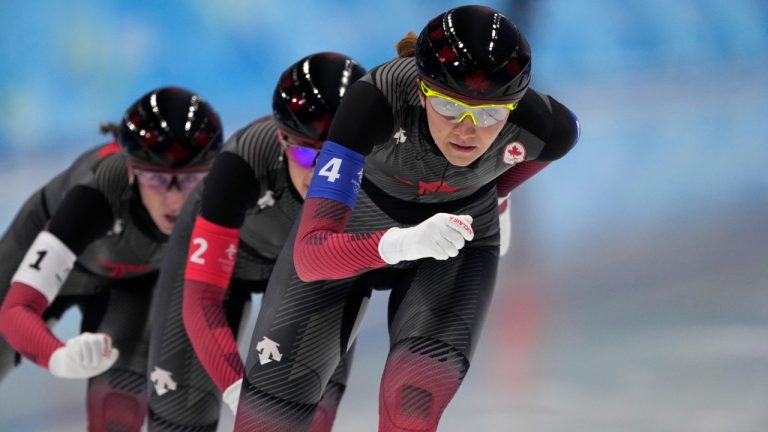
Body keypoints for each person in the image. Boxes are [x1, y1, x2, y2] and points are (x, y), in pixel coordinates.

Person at [234, 5, 580, 431]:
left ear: (513, 107)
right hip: (357, 225)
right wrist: (403, 241)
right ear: (421, 91)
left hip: (457, 240)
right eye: (450, 108)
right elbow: (310, 255)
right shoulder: (373, 102)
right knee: (270, 417)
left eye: (490, 114)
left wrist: (495, 195)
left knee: (411, 406)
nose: (467, 130)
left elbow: (558, 140)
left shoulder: (546, 127)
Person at [146, 53, 366, 431]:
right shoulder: (242, 163)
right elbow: (201, 301)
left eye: (337, 157)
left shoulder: (386, 161)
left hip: (308, 272)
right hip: (226, 268)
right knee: (181, 410)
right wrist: (237, 389)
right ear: (282, 142)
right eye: (306, 154)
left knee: (303, 409)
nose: (323, 173)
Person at [0, 86, 223, 432]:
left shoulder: (223, 195)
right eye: (156, 179)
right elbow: (16, 309)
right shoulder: (99, 191)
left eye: (192, 180)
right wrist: (58, 357)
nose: (175, 201)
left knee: (118, 414)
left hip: (130, 285)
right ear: (132, 172)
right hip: (50, 255)